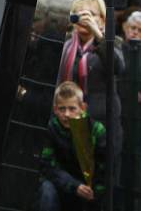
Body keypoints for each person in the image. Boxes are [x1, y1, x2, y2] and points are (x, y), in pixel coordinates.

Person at [57, 0, 125, 166]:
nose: (84, 18)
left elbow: (117, 67)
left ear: (102, 20)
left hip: (101, 127)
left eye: (91, 14)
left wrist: (98, 34)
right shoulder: (63, 46)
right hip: (66, 125)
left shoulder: (112, 43)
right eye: (78, 14)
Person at [35, 81, 106, 211]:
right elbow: (48, 166)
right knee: (46, 191)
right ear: (55, 109)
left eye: (72, 108)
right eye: (62, 109)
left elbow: (103, 167)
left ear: (83, 108)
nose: (66, 114)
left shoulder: (95, 129)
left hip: (87, 189)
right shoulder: (51, 129)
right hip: (61, 185)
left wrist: (95, 193)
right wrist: (74, 186)